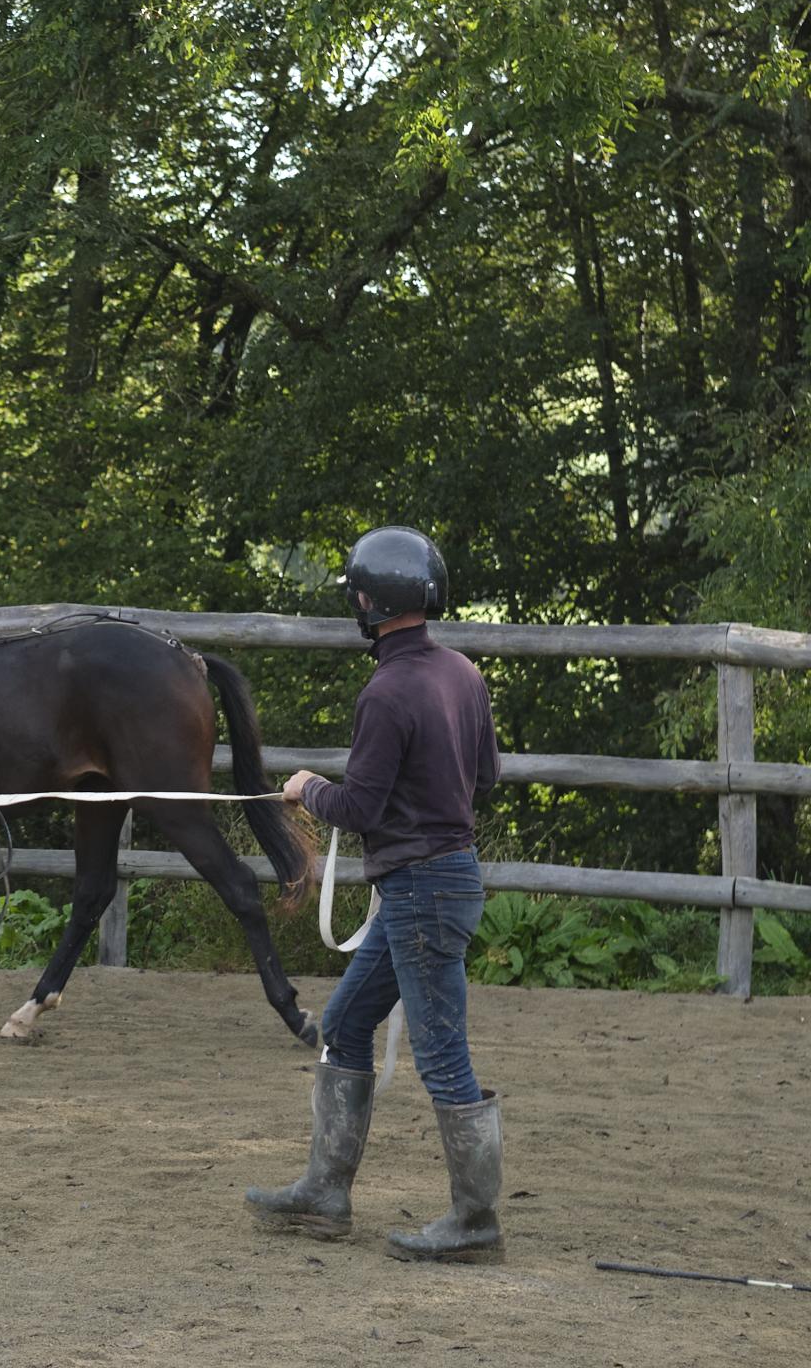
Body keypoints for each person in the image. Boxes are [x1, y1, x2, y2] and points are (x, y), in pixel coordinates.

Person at [243, 525, 505, 1262]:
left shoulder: (387, 691)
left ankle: (476, 1223)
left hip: (420, 888)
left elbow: (357, 808)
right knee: (346, 1023)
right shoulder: (462, 673)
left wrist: (306, 789)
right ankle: (325, 1193)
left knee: (442, 1052)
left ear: (367, 601)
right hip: (439, 881)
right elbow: (484, 780)